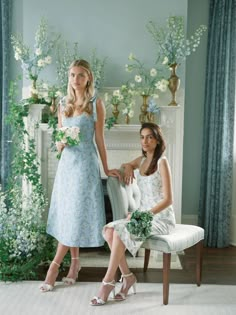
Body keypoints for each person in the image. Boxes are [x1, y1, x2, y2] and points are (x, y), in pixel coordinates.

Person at [40, 59, 120, 292]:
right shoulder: (63, 103)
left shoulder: (96, 104)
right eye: (73, 75)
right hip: (67, 166)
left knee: (75, 213)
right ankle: (74, 264)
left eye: (81, 75)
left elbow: (100, 140)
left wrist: (106, 168)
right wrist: (61, 142)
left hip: (85, 165)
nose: (76, 79)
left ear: (89, 78)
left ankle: (54, 267)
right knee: (68, 214)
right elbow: (59, 139)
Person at [90, 122, 176, 306]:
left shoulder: (162, 162)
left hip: (160, 218)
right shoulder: (142, 160)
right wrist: (128, 166)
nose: (145, 141)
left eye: (149, 137)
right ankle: (128, 277)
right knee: (109, 231)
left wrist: (140, 216)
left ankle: (107, 282)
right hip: (142, 215)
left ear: (157, 140)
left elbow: (168, 200)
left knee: (119, 231)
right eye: (142, 137)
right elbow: (128, 164)